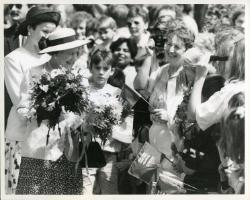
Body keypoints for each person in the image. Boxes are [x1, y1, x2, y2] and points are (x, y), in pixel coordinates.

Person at [15, 28, 89, 194]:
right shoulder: (34, 72)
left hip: (68, 149)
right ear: (55, 53)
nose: (74, 58)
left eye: (76, 53)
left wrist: (76, 119)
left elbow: (83, 111)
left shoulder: (80, 76)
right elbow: (22, 108)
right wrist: (41, 111)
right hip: (39, 148)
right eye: (69, 54)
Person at [4, 6, 60, 194]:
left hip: (50, 139)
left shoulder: (51, 58)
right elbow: (18, 100)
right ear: (30, 29)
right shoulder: (14, 59)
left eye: (52, 33)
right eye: (44, 31)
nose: (47, 37)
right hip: (22, 135)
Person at [145, 18, 195, 193]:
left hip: (174, 153)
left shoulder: (190, 76)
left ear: (187, 50)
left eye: (177, 47)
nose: (170, 49)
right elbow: (150, 103)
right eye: (168, 44)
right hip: (152, 148)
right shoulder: (161, 71)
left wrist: (170, 118)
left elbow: (191, 118)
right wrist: (154, 115)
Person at [86, 50, 124, 194]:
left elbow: (124, 124)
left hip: (109, 152)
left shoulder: (118, 93)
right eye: (97, 68)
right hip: (87, 149)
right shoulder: (84, 91)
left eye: (105, 68)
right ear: (91, 68)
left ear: (112, 70)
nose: (101, 72)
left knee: (109, 191)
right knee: (86, 191)